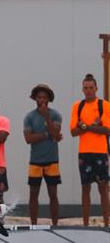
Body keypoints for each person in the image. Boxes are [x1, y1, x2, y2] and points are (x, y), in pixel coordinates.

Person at [70, 73, 110, 227]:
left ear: (96, 88)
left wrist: (85, 126)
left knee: (103, 188)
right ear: (82, 89)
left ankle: (107, 223)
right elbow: (73, 131)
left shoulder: (104, 105)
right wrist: (94, 125)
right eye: (85, 88)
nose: (88, 91)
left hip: (100, 151)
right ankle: (85, 224)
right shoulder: (78, 106)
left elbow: (107, 129)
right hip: (84, 152)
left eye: (91, 88)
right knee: (85, 188)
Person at [23, 84, 62, 225]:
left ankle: (55, 224)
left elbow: (56, 136)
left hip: (52, 160)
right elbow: (28, 139)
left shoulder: (56, 115)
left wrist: (46, 116)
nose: (42, 99)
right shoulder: (29, 117)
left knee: (53, 194)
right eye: (39, 97)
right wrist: (47, 134)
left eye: (45, 97)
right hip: (35, 161)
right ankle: (33, 224)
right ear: (35, 98)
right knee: (33, 194)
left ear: (49, 99)